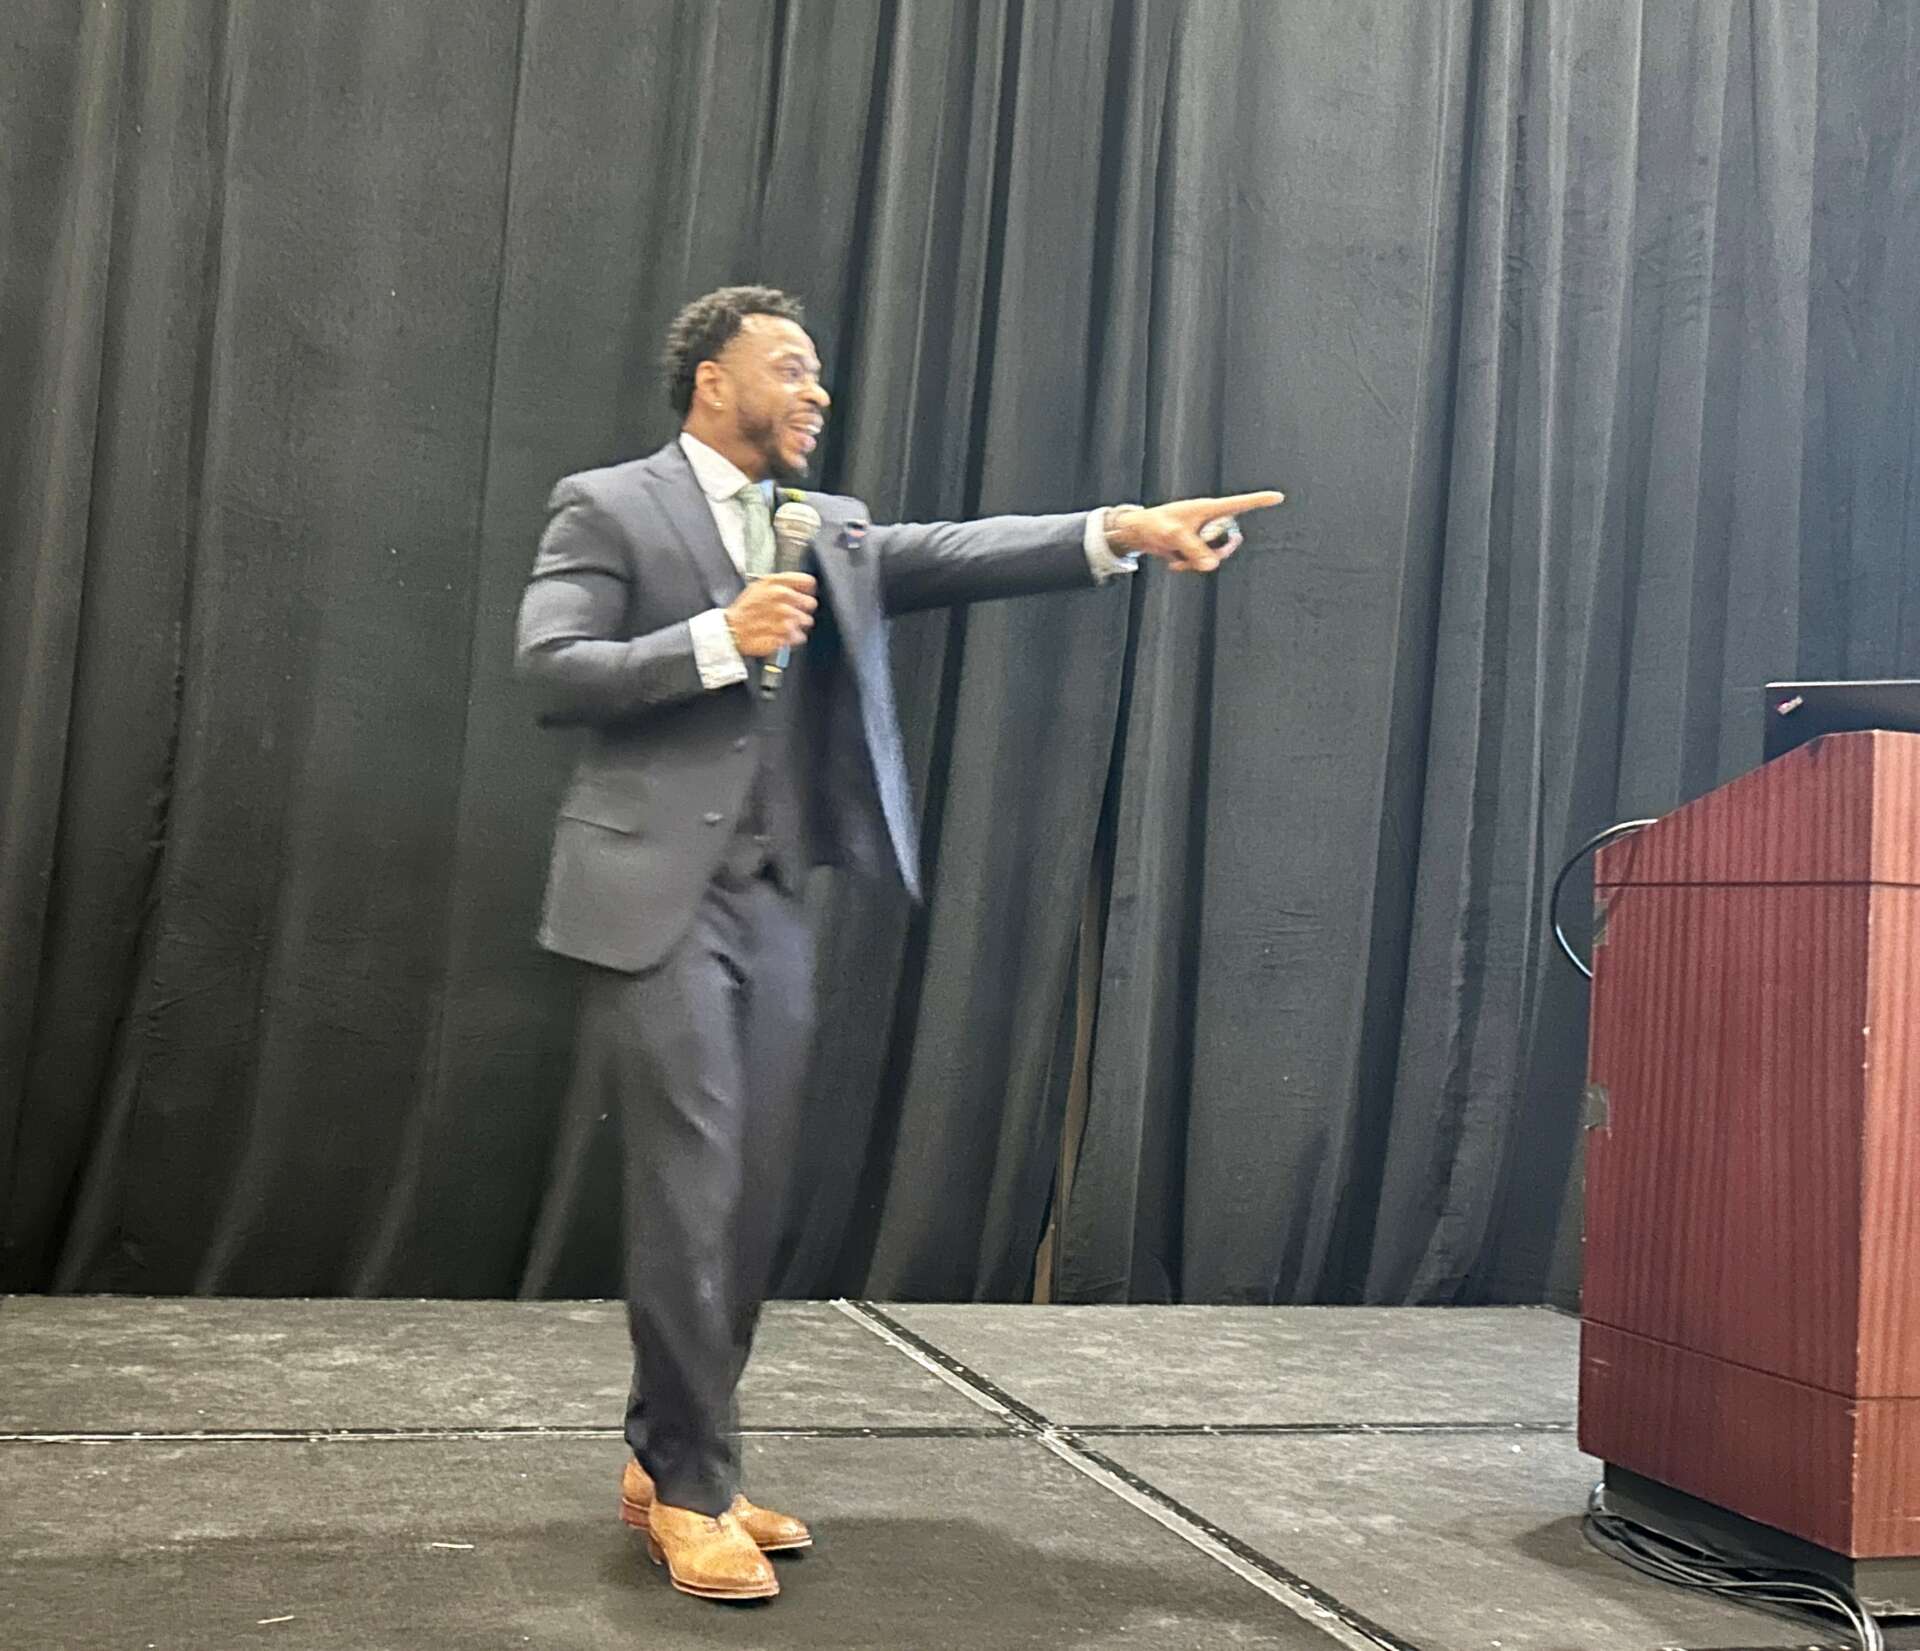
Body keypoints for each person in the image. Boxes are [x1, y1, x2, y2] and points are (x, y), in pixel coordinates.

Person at [514, 284, 1283, 1603]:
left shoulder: (828, 526)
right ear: (712, 379)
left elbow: (964, 552)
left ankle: (665, 1455)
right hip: (648, 901)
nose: (817, 390)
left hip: (768, 901)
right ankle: (692, 1491)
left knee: (752, 1196)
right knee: (694, 1188)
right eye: (790, 367)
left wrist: (1125, 530)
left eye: (820, 372)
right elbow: (552, 666)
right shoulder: (610, 504)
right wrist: (715, 638)